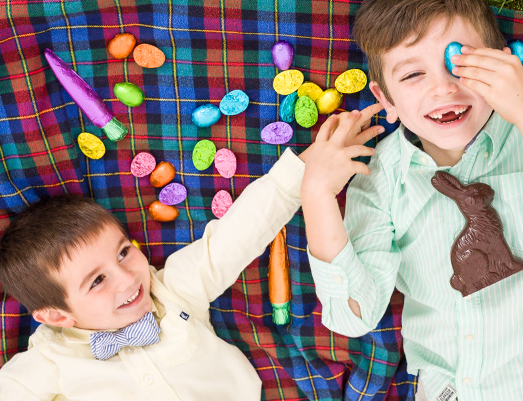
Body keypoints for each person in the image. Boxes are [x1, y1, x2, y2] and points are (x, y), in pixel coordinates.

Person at [0, 134, 365, 401]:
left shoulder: (172, 289)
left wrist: (304, 171)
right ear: (57, 315)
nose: (128, 278)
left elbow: (235, 236)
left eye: (124, 252)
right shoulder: (49, 361)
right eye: (97, 280)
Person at [301, 0, 523, 400]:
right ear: (387, 100)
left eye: (461, 64)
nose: (443, 87)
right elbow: (352, 315)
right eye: (413, 74)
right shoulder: (380, 179)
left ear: (502, 67)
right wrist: (316, 194)